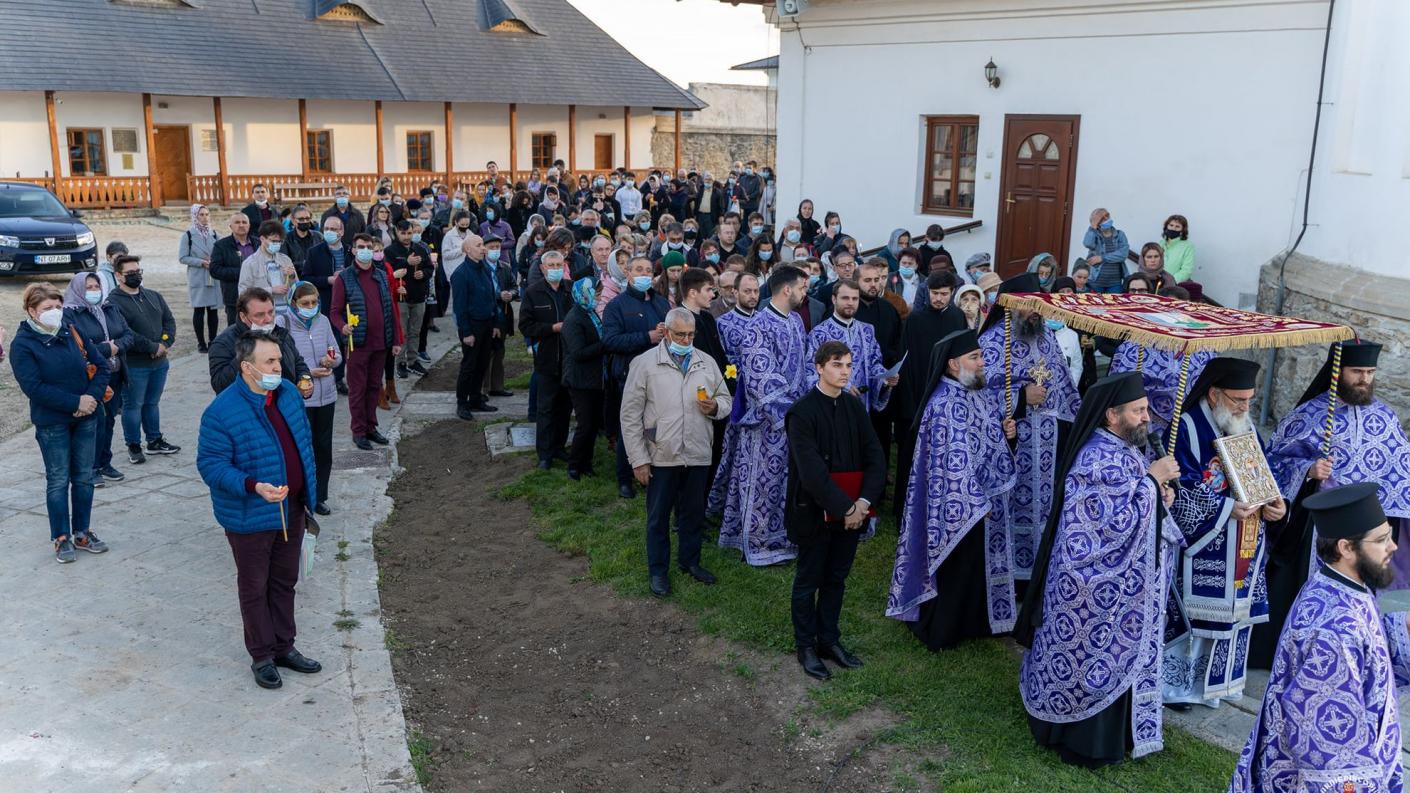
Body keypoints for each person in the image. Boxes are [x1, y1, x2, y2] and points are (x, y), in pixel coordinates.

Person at [1016, 371, 1182, 768]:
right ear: (1112, 414)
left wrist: (1159, 496)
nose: (1147, 418)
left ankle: (1116, 735)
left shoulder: (1124, 449)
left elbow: (1135, 505)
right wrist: (1151, 483)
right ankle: (1085, 742)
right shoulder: (1095, 458)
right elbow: (1103, 530)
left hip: (1124, 587)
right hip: (1091, 588)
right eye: (1138, 411)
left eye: (1146, 409)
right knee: (1094, 658)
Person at [1228, 483, 1410, 792]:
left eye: (1390, 536)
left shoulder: (1339, 585)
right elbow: (1327, 742)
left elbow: (1368, 649)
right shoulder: (1333, 630)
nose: (1393, 547)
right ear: (1346, 548)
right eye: (1381, 540)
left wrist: (1403, 626)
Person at [1253, 341, 1410, 669]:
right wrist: (1308, 469)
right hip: (1319, 526)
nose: (1364, 379)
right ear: (1338, 372)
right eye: (1357, 371)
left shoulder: (1385, 417)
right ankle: (1298, 653)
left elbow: (1400, 469)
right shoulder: (1312, 414)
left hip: (1367, 527)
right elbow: (1272, 460)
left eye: (1370, 372)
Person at [1157, 357, 1286, 709]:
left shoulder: (1244, 425)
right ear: (1214, 394)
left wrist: (1277, 504)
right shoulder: (1185, 427)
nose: (1245, 407)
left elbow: (1263, 474)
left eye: (1249, 400)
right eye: (1238, 400)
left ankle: (1222, 684)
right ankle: (1178, 688)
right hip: (1206, 543)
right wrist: (1226, 508)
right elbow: (1177, 488)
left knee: (1234, 615)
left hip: (1244, 540)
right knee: (1198, 613)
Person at [196, 333, 321, 690]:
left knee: (285, 581)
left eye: (279, 359)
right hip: (249, 515)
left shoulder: (289, 395)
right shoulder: (221, 411)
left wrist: (306, 492)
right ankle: (262, 655)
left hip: (291, 508)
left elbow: (303, 443)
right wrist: (253, 486)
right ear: (247, 367)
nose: (278, 367)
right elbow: (211, 465)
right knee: (254, 587)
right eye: (270, 361)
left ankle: (285, 646)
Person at [888, 329, 1017, 649]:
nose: (983, 362)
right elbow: (951, 463)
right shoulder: (944, 403)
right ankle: (944, 628)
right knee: (956, 566)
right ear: (953, 364)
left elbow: (986, 442)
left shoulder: (976, 393)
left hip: (981, 497)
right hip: (955, 502)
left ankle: (975, 623)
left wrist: (1006, 435)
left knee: (975, 565)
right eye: (975, 357)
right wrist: (976, 502)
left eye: (981, 356)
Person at [786, 340, 885, 679]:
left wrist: (863, 503)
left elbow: (875, 456)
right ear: (819, 368)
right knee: (808, 579)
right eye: (837, 365)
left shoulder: (854, 407)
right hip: (814, 512)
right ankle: (806, 646)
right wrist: (846, 507)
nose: (845, 372)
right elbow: (811, 471)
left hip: (852, 514)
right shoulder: (801, 413)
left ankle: (829, 639)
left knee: (836, 578)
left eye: (848, 365)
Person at [621, 308, 731, 597]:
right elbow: (630, 415)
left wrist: (715, 407)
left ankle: (690, 561)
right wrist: (639, 459)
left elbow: (725, 399)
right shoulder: (645, 363)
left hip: (697, 450)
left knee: (693, 513)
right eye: (680, 334)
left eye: (691, 335)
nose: (686, 340)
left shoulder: (706, 361)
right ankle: (658, 570)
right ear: (667, 332)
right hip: (662, 452)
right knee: (658, 517)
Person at [978, 273, 1079, 585]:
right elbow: (978, 397)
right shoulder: (992, 342)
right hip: (1010, 438)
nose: (1036, 311)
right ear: (1010, 305)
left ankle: (1037, 573)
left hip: (1047, 439)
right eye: (1029, 304)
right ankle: (1009, 575)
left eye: (1039, 305)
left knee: (1044, 505)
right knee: (1011, 502)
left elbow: (1064, 385)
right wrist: (1022, 397)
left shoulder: (1046, 337)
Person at [718, 266, 814, 566]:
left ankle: (784, 537)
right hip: (766, 423)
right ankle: (757, 544)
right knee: (763, 485)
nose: (805, 293)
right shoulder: (758, 326)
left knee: (787, 483)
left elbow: (806, 363)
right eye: (803, 287)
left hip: (795, 419)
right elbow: (761, 378)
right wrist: (791, 411)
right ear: (787, 289)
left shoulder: (795, 320)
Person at [11, 283, 111, 562]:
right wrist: (74, 403)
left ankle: (82, 532)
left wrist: (90, 399)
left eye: (58, 306)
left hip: (86, 417)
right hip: (52, 423)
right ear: (32, 311)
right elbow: (34, 387)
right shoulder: (23, 344)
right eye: (48, 308)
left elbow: (102, 366)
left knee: (84, 477)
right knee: (58, 480)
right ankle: (61, 537)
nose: (55, 311)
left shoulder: (71, 329)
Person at [891, 271, 969, 523]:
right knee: (912, 453)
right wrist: (909, 403)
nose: (938, 298)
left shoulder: (957, 317)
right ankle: (905, 509)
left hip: (947, 394)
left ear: (952, 293)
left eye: (944, 294)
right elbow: (906, 361)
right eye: (934, 293)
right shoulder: (915, 319)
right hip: (917, 394)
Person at [601, 256, 672, 498]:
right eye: (638, 269)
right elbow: (610, 341)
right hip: (629, 374)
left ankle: (652, 471)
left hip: (661, 373)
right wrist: (647, 337)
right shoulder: (616, 306)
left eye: (648, 270)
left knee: (655, 426)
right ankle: (624, 477)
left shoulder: (661, 303)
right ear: (628, 273)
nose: (644, 274)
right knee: (630, 427)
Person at [330, 235, 403, 448]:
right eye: (361, 247)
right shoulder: (344, 278)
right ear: (353, 250)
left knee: (374, 387)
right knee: (358, 389)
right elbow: (334, 311)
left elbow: (390, 309)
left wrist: (396, 339)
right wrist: (343, 326)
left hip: (381, 343)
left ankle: (371, 427)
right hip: (358, 343)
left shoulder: (381, 276)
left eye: (369, 247)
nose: (365, 250)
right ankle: (359, 430)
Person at [106, 255, 179, 464]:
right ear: (118, 275)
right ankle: (134, 445)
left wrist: (164, 343)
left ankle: (154, 440)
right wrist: (152, 347)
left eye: (138, 271)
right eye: (130, 273)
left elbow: (169, 321)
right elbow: (125, 332)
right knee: (133, 406)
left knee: (152, 403)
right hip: (134, 365)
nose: (136, 276)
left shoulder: (153, 296)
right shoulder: (113, 302)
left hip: (159, 362)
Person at [63, 272, 132, 487]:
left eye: (96, 286)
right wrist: (106, 349)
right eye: (88, 287)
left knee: (109, 420)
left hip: (115, 373)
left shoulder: (109, 308)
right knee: (94, 423)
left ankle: (104, 462)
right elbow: (78, 348)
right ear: (77, 289)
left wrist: (117, 346)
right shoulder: (70, 314)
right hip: (91, 377)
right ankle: (89, 468)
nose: (94, 291)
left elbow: (128, 335)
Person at [278, 282, 341, 516]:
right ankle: (299, 496)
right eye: (305, 303)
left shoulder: (323, 321)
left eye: (314, 302)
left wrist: (331, 361)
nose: (311, 306)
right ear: (294, 303)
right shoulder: (282, 324)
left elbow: (337, 353)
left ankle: (319, 496)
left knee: (323, 448)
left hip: (326, 396)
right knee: (301, 450)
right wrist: (307, 373)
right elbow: (281, 362)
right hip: (301, 399)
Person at [808, 279, 895, 414]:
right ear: (834, 299)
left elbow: (874, 364)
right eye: (845, 298)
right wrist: (843, 386)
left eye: (855, 299)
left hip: (861, 406)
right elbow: (811, 373)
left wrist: (885, 378)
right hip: (832, 408)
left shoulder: (867, 330)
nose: (850, 303)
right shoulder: (819, 334)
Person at [520, 251, 573, 468]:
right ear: (542, 268)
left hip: (569, 358)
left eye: (559, 265)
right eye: (551, 265)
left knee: (565, 407)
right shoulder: (533, 292)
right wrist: (551, 328)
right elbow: (526, 325)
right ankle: (544, 454)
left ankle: (559, 447)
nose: (555, 269)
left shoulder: (571, 289)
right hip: (546, 358)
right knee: (545, 408)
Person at [209, 288, 312, 396]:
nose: (268, 319)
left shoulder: (280, 333)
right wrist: (248, 352)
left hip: (284, 402)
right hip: (247, 404)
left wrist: (304, 380)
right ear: (243, 317)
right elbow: (219, 385)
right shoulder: (223, 343)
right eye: (259, 315)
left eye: (271, 312)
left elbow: (298, 363)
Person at [1108, 341, 1215, 440]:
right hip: (1143, 425)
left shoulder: (1205, 349)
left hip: (1191, 424)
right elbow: (1119, 393)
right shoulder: (1133, 348)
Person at [450, 233, 500, 422]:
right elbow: (459, 307)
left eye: (482, 245)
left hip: (487, 323)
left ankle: (476, 398)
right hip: (472, 326)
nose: (483, 248)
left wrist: (495, 323)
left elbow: (491, 296)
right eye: (479, 245)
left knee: (482, 363)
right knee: (469, 365)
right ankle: (462, 403)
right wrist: (466, 332)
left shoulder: (484, 268)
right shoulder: (461, 274)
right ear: (467, 250)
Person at [561, 277, 605, 480]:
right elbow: (578, 352)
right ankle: (574, 465)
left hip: (594, 378)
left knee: (593, 424)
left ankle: (586, 463)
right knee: (585, 424)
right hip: (579, 380)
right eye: (596, 294)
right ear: (584, 294)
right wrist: (605, 345)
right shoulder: (573, 319)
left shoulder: (589, 313)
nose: (599, 298)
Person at [385, 220, 432, 379]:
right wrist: (407, 262)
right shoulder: (390, 251)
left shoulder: (420, 249)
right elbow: (388, 272)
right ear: (396, 233)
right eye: (403, 233)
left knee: (415, 331)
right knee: (402, 332)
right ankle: (400, 362)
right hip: (401, 297)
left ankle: (413, 360)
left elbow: (430, 268)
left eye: (409, 233)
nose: (406, 237)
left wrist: (423, 273)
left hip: (419, 296)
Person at [180, 204, 223, 352]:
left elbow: (221, 253)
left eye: (207, 214)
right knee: (199, 310)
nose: (205, 218)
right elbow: (183, 257)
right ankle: (201, 343)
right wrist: (201, 262)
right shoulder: (188, 235)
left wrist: (214, 261)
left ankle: (213, 341)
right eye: (201, 215)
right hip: (198, 277)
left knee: (213, 311)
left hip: (213, 276)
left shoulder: (215, 234)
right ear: (195, 216)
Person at [481, 235, 517, 398]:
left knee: (499, 351)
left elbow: (514, 286)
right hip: (486, 315)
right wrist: (498, 295)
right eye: (492, 247)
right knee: (485, 352)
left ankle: (497, 386)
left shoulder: (505, 267)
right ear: (484, 249)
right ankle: (483, 388)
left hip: (503, 314)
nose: (495, 250)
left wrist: (511, 293)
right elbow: (481, 291)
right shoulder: (480, 268)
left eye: (497, 247)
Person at [238, 221, 297, 312]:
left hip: (286, 311)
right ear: (262, 239)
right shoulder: (250, 263)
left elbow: (297, 288)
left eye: (279, 241)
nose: (277, 244)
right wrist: (271, 290)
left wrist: (292, 276)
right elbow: (243, 292)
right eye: (273, 241)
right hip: (263, 312)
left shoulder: (285, 260)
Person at [210, 213, 258, 325]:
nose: (241, 225)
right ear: (230, 226)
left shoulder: (258, 243)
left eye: (244, 222)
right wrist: (241, 273)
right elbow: (215, 270)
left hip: (257, 294)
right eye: (237, 222)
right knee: (236, 329)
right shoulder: (221, 245)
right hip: (233, 297)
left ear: (249, 225)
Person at [1082, 208, 1130, 294]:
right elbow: (1088, 243)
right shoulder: (1094, 235)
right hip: (1095, 281)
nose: (1106, 218)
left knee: (1113, 303)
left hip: (1115, 283)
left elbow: (1123, 254)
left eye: (1107, 215)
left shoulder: (1120, 234)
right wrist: (1093, 227)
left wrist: (1102, 258)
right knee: (1094, 303)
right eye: (1101, 218)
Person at [282, 204, 320, 273]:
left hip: (317, 276)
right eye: (301, 219)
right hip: (296, 277)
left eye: (307, 218)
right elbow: (284, 263)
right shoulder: (286, 239)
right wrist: (304, 264)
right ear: (293, 221)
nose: (305, 221)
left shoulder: (318, 236)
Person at [1161, 214, 1195, 282]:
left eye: (1177, 226)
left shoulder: (1188, 246)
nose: (1173, 228)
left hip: (1175, 284)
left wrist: (1171, 281)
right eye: (1171, 225)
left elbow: (1187, 270)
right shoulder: (1160, 243)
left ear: (1182, 230)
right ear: (1166, 226)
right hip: (1157, 283)